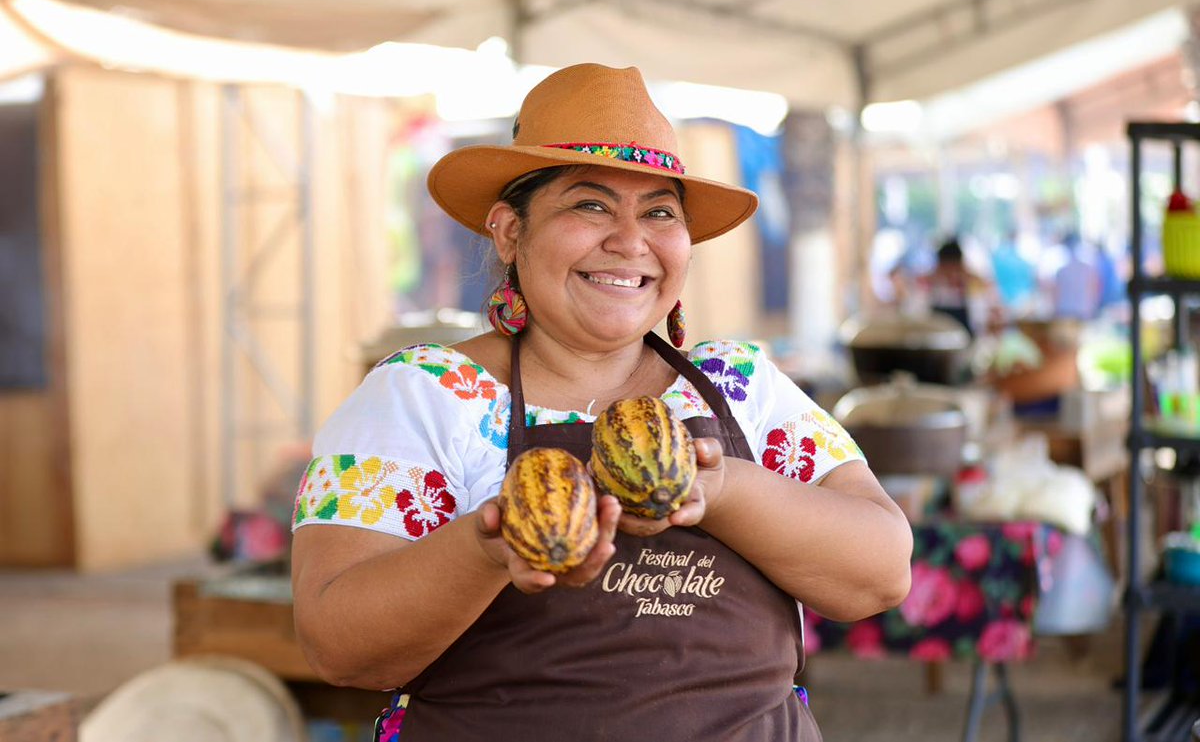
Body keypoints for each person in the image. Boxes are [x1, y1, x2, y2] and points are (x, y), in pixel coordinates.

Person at [290, 63, 913, 741]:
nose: (629, 239)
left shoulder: (740, 383)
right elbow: (336, 644)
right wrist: (489, 547)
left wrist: (725, 487)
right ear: (508, 232)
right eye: (590, 205)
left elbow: (881, 573)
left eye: (659, 211)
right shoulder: (426, 394)